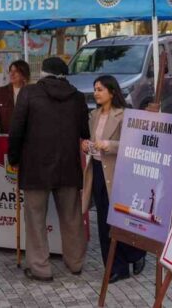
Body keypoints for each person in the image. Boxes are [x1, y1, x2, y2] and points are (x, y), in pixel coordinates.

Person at [8, 57, 90, 281]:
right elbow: (85, 130)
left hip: (35, 167)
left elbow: (16, 130)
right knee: (72, 217)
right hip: (68, 167)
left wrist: (14, 159)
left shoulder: (28, 93)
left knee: (35, 220)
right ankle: (75, 263)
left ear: (42, 72)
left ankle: (40, 268)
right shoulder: (77, 96)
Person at [81, 75, 146, 283]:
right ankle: (115, 266)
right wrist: (88, 146)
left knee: (121, 219)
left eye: (100, 89)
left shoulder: (125, 114)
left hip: (119, 172)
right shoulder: (94, 115)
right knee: (103, 221)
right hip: (98, 170)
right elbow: (94, 142)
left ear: (111, 91)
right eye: (95, 89)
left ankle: (136, 254)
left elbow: (133, 144)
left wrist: (110, 145)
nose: (96, 93)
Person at [0, 60, 29, 134]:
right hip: (8, 137)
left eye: (16, 71)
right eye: (10, 71)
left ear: (24, 74)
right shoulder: (1, 92)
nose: (12, 74)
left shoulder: (33, 92)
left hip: (28, 138)